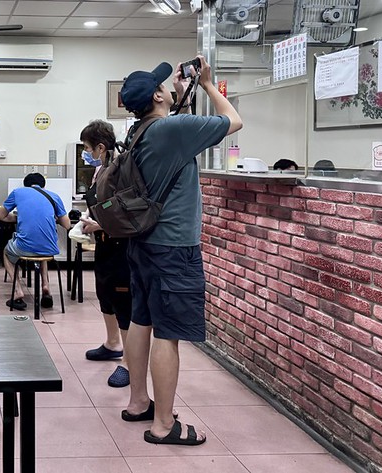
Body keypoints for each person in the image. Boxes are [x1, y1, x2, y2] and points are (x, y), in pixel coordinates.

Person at [117, 56, 242, 446]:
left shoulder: (140, 130)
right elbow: (233, 121)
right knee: (167, 334)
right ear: (157, 95)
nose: (171, 84)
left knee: (141, 320)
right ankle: (164, 424)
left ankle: (139, 402)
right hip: (173, 247)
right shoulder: (173, 129)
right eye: (163, 83)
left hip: (143, 242)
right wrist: (207, 85)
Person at [78, 119, 132, 388]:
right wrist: (90, 218)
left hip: (120, 245)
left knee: (123, 304)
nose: (85, 153)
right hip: (103, 243)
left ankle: (129, 363)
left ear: (100, 146)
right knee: (105, 295)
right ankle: (112, 344)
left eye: (87, 148)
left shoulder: (120, 170)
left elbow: (125, 210)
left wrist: (100, 223)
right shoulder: (100, 171)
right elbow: (102, 204)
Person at [0, 173, 71, 310]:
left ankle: (18, 291)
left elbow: (1, 216)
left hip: (24, 247)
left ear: (26, 184)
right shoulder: (53, 196)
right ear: (43, 185)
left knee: (6, 253)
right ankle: (45, 285)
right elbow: (67, 225)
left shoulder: (18, 192)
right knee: (41, 250)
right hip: (50, 249)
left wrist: (19, 218)